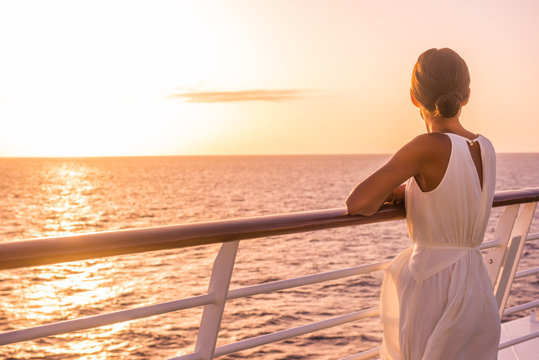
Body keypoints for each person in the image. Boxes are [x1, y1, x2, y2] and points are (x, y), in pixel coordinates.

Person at [345, 48, 500, 359]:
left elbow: (358, 202)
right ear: (466, 95)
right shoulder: (485, 146)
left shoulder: (427, 146)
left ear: (414, 98)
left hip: (435, 285)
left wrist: (394, 192)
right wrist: (413, 194)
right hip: (474, 282)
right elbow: (457, 194)